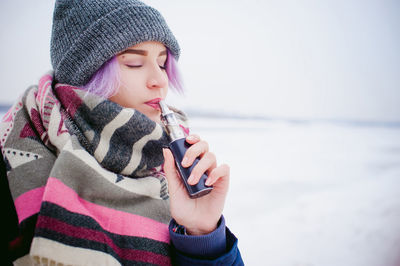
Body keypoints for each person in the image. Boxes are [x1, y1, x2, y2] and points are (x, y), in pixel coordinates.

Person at [0, 0, 243, 265]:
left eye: (162, 64)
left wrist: (203, 236)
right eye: (134, 63)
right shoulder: (14, 162)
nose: (160, 80)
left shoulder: (172, 164)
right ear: (86, 74)